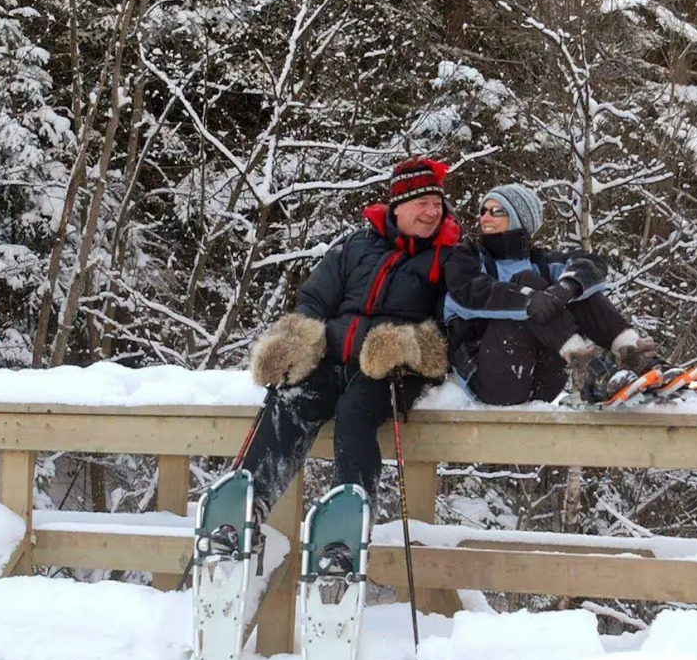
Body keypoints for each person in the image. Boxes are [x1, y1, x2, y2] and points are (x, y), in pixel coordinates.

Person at [208, 158, 460, 564]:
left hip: (390, 370)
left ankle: (346, 532)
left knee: (354, 412)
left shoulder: (448, 258)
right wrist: (297, 341)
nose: (433, 212)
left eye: (438, 204)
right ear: (398, 206)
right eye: (423, 203)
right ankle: (246, 511)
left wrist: (409, 347)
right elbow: (315, 297)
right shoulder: (357, 246)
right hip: (333, 360)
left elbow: (451, 327)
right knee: (292, 398)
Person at [443, 182, 662, 406]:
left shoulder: (541, 262)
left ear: (520, 218)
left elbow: (590, 264)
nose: (485, 218)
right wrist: (529, 300)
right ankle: (587, 368)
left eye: (497, 211)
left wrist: (566, 288)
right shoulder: (468, 258)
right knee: (526, 282)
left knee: (576, 285)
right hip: (491, 381)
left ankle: (635, 355)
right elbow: (470, 293)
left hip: (543, 382)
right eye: (483, 211)